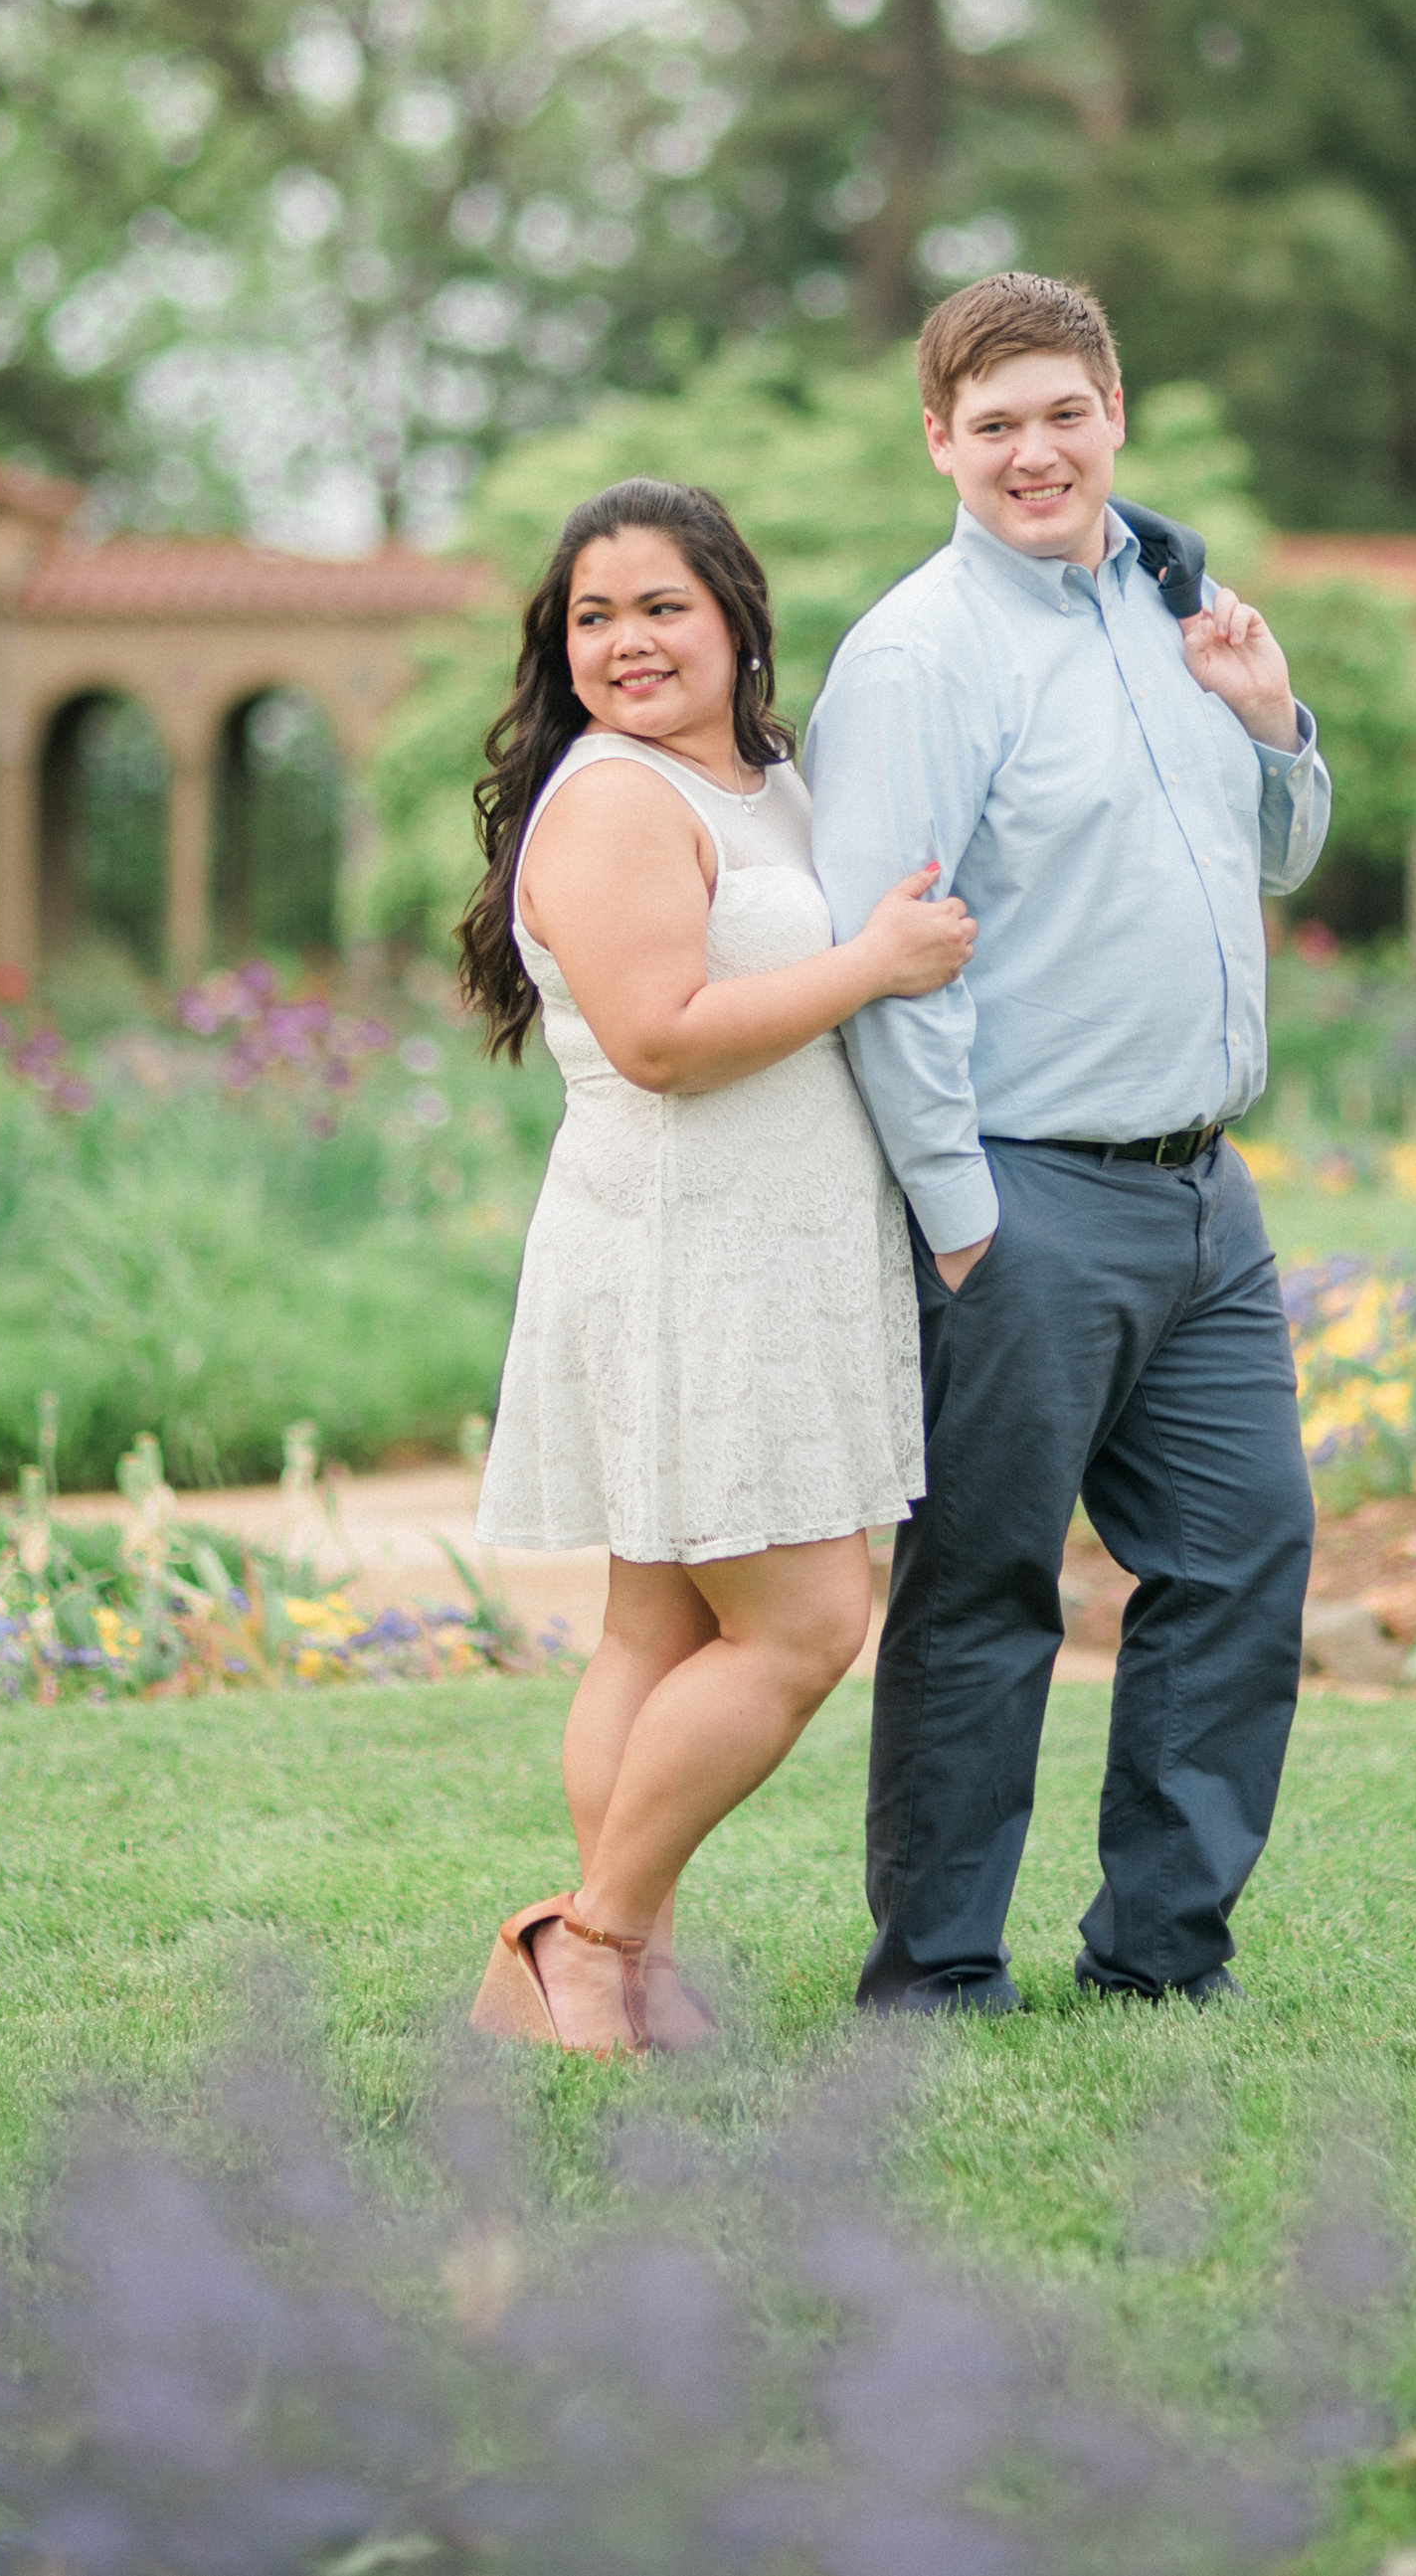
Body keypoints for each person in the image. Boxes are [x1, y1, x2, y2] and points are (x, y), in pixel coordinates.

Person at [803, 273, 1330, 2016]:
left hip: (1204, 1198)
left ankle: (1162, 1954)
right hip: (1023, 1197)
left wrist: (1269, 720)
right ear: (939, 442)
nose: (1037, 449)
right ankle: (938, 1971)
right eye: (996, 420)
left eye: (1065, 411)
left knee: (1242, 1554)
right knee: (985, 1595)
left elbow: (1279, 857)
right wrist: (960, 1215)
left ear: (1118, 413)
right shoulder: (918, 657)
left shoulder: (1173, 605)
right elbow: (886, 955)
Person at [458, 477, 974, 2056]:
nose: (626, 641)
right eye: (593, 615)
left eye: (661, 605)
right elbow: (663, 1040)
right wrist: (869, 965)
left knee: (659, 1632)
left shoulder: (769, 778)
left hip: (773, 1240)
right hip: (691, 1252)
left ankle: (638, 1973)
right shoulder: (616, 796)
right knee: (811, 1619)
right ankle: (583, 1935)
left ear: (738, 615)